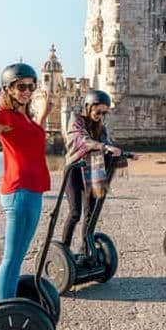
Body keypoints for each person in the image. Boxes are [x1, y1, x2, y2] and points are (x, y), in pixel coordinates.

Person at [0, 63, 52, 301]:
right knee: (13, 256)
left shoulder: (24, 117)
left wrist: (43, 115)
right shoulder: (5, 115)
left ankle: (4, 298)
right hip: (20, 191)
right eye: (21, 87)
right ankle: (4, 307)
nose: (27, 91)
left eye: (31, 86)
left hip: (33, 190)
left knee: (19, 254)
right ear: (8, 88)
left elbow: (34, 142)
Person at [61, 90, 134, 251]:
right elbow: (82, 140)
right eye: (98, 112)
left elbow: (109, 144)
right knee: (75, 213)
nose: (100, 116)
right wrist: (103, 146)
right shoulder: (76, 121)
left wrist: (126, 154)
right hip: (74, 170)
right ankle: (64, 250)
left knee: (90, 213)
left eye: (104, 113)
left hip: (92, 172)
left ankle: (86, 248)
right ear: (88, 107)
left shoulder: (101, 128)